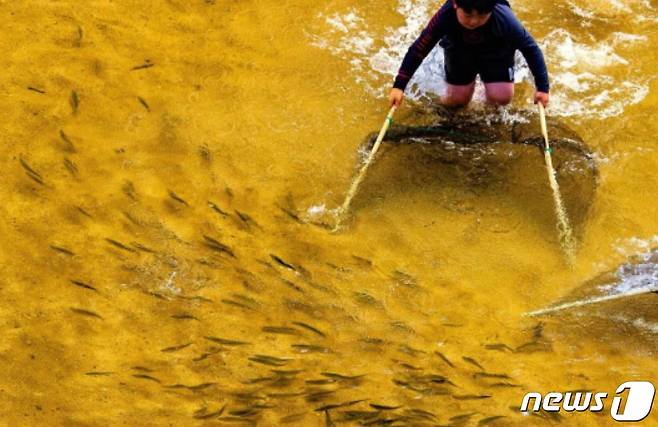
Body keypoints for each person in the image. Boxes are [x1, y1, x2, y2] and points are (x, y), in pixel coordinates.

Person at [389, 0, 549, 109]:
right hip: (459, 50)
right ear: (456, 4)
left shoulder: (506, 20)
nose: (473, 21)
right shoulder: (445, 16)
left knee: (501, 99)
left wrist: (542, 88)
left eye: (481, 16)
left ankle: (487, 87)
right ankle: (469, 88)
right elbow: (420, 48)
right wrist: (399, 86)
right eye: (467, 14)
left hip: (497, 51)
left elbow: (531, 49)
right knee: (456, 101)